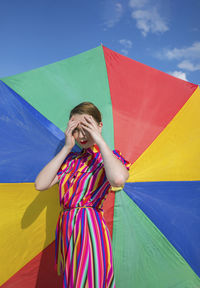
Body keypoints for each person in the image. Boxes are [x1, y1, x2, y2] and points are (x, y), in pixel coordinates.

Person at [35, 102, 131, 288]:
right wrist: (66, 148)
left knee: (89, 279)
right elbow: (41, 184)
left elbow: (118, 179)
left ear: (99, 125)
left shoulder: (109, 158)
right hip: (68, 230)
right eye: (76, 130)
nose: (81, 136)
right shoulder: (70, 161)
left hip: (89, 227)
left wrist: (100, 140)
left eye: (86, 127)